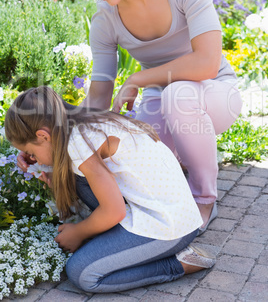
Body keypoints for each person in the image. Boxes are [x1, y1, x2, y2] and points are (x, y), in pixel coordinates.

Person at [18, 0, 243, 232]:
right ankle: (178, 176)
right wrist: (49, 146)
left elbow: (206, 61)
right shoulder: (106, 21)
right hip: (160, 101)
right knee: (141, 139)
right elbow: (98, 98)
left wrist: (138, 78)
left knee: (177, 95)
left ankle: (203, 198)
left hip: (216, 90)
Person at [5, 86, 215, 293]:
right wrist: (35, 157)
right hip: (167, 208)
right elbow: (63, 162)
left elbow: (115, 211)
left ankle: (177, 263)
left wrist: (78, 232)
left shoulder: (78, 143)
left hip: (169, 226)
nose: (32, 157)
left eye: (30, 151)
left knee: (82, 273)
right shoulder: (79, 124)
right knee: (74, 178)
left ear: (43, 135)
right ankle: (120, 244)